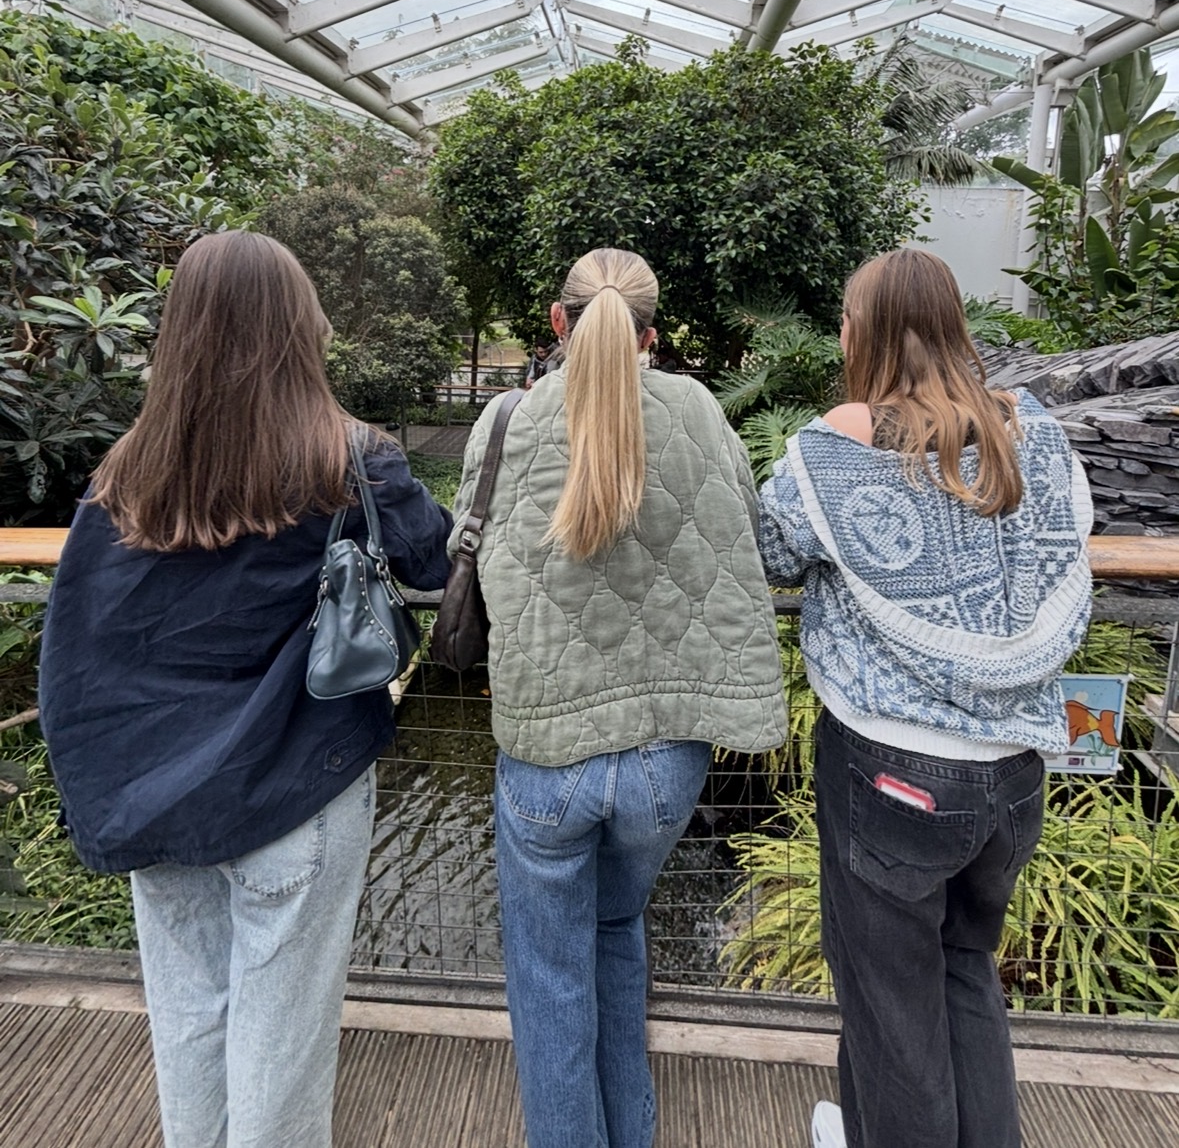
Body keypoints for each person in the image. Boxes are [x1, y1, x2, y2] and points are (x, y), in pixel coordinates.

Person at [39, 231, 452, 1148]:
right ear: (298, 327)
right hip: (296, 786)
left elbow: (82, 643)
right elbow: (432, 551)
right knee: (283, 1034)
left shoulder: (125, 473)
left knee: (188, 1014)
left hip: (154, 790)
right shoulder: (348, 456)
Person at [450, 247, 787, 1148]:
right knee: (617, 929)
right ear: (650, 333)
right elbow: (746, 532)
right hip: (666, 759)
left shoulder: (505, 419)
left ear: (559, 324)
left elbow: (466, 550)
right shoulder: (698, 409)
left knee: (548, 976)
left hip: (545, 753)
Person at [758, 249, 1092, 1148]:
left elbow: (772, 549)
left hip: (892, 776)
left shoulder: (841, 442)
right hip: (1013, 775)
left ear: (859, 333)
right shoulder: (1037, 435)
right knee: (964, 972)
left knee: (888, 1005)